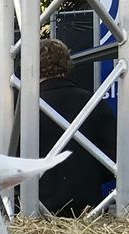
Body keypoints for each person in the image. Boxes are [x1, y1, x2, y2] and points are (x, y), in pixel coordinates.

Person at [38, 38, 117, 216]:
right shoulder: (93, 103)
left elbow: (14, 161)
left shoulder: (24, 110)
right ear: (66, 64)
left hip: (38, 209)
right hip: (88, 209)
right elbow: (114, 158)